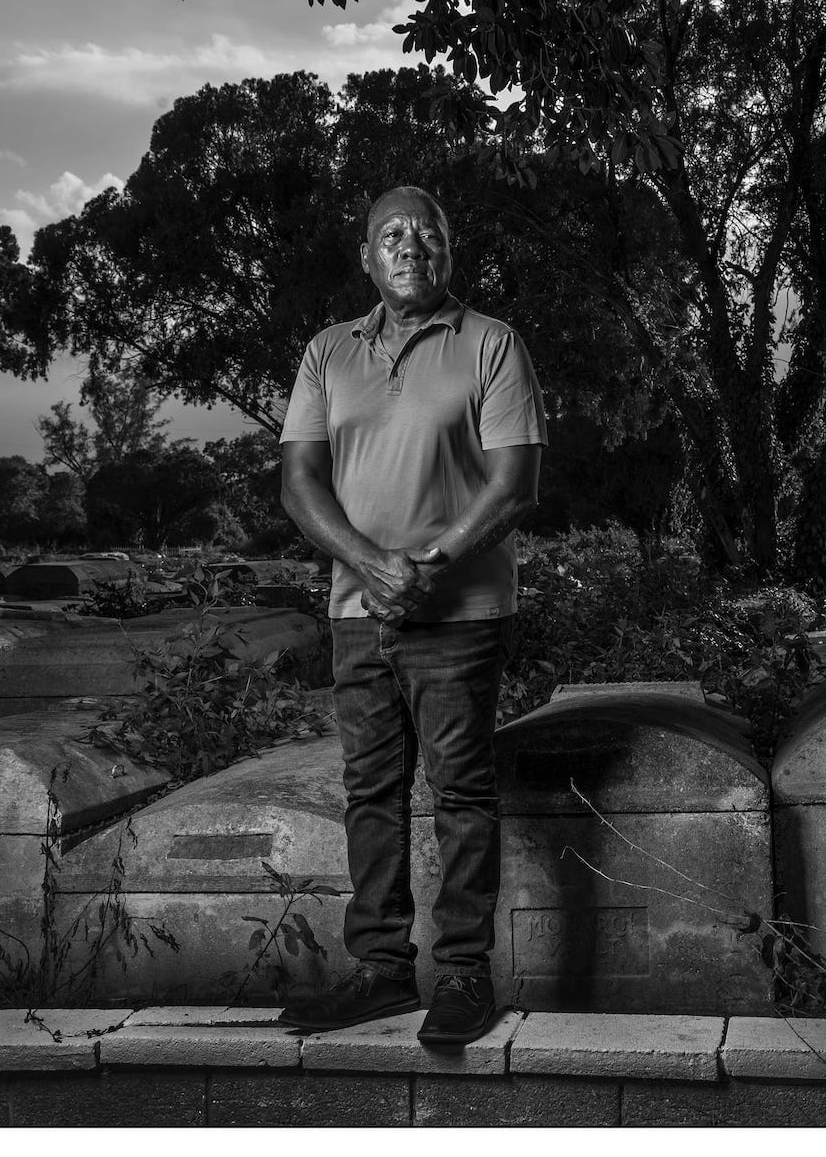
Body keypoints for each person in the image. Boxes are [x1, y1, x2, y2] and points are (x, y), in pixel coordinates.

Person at [277, 186, 547, 1045]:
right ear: (367, 255)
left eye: (427, 232)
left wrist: (428, 566)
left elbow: (516, 485)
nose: (409, 246)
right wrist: (368, 564)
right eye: (391, 235)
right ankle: (382, 973)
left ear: (448, 249)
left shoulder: (492, 344)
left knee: (462, 793)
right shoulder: (327, 353)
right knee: (372, 792)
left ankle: (465, 976)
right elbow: (299, 482)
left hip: (460, 613)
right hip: (357, 610)